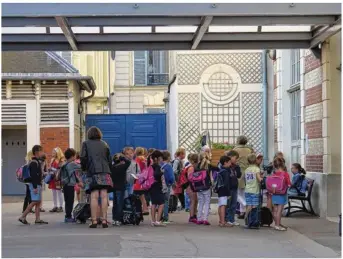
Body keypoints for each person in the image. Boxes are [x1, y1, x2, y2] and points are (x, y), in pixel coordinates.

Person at [81, 126, 113, 228]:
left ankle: (94, 220)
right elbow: (109, 158)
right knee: (104, 196)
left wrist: (84, 168)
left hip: (92, 171)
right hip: (105, 171)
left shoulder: (85, 144)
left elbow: (83, 157)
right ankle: (104, 220)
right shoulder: (104, 144)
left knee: (94, 196)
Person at [18, 145, 48, 225]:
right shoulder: (34, 163)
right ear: (37, 152)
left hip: (37, 184)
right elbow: (34, 176)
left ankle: (37, 219)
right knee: (35, 201)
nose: (43, 153)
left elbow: (38, 175)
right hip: (35, 185)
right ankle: (23, 216)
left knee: (38, 202)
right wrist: (35, 187)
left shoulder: (37, 162)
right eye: (42, 151)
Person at [233, 135, 254, 219]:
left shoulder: (235, 150)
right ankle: (243, 211)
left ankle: (244, 204)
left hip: (238, 172)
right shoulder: (250, 150)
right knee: (244, 192)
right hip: (248, 171)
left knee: (236, 192)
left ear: (238, 141)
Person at [62, 148, 82, 223]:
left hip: (65, 184)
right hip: (70, 185)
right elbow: (81, 167)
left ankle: (67, 216)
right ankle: (68, 217)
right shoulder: (72, 164)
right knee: (70, 201)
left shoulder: (65, 163)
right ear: (72, 156)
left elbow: (72, 174)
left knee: (67, 201)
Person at [110, 153, 131, 226]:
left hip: (114, 187)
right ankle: (118, 219)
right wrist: (123, 157)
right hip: (121, 187)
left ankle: (114, 219)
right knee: (120, 204)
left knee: (115, 204)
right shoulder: (122, 167)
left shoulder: (112, 167)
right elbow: (128, 162)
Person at [271, 157, 291, 231]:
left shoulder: (274, 174)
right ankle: (277, 225)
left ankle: (277, 223)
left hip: (274, 193)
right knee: (279, 210)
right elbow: (289, 184)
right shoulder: (285, 174)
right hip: (282, 194)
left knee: (275, 210)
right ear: (283, 164)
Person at [148, 150, 166, 227]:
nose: (162, 159)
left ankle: (153, 220)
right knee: (161, 203)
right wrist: (162, 172)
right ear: (157, 158)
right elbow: (156, 174)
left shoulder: (150, 166)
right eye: (161, 158)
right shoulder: (157, 166)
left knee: (154, 203)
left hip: (151, 186)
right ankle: (158, 221)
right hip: (157, 187)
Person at [196, 152, 213, 225]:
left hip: (198, 186)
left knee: (200, 203)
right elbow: (211, 177)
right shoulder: (209, 165)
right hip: (206, 186)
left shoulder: (197, 166)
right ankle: (205, 219)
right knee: (207, 203)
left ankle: (199, 219)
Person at [225, 150, 241, 226]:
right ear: (230, 157)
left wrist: (237, 167)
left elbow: (239, 175)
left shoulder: (236, 166)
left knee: (234, 204)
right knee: (228, 204)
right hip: (228, 188)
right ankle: (227, 219)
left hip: (234, 187)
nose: (236, 160)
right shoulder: (226, 165)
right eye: (235, 158)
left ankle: (232, 219)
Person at [244, 154, 263, 219]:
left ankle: (246, 217)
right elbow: (259, 178)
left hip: (247, 190)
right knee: (254, 205)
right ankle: (253, 219)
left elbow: (245, 179)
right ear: (255, 160)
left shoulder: (247, 169)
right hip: (254, 190)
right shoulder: (256, 169)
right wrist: (262, 179)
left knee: (249, 205)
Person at [217, 156, 233, 227]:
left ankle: (221, 220)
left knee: (220, 205)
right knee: (223, 205)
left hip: (220, 190)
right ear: (225, 163)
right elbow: (226, 183)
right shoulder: (226, 171)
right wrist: (228, 192)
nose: (230, 164)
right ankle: (223, 221)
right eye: (229, 162)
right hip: (224, 190)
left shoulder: (220, 170)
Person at [133, 147, 149, 215]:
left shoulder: (137, 159)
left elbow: (136, 168)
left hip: (138, 179)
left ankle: (140, 209)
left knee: (138, 195)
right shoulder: (145, 159)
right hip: (144, 178)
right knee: (142, 196)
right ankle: (145, 209)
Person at [48, 147, 65, 213]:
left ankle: (60, 206)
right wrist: (49, 169)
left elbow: (61, 170)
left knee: (59, 193)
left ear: (58, 153)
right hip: (52, 178)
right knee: (54, 193)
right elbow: (50, 167)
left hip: (58, 179)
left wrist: (52, 169)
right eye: (52, 152)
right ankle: (55, 206)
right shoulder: (52, 159)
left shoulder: (61, 160)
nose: (52, 153)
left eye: (54, 152)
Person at [161, 150, 175, 224]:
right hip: (167, 185)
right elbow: (171, 177)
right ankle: (165, 217)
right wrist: (172, 183)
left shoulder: (160, 165)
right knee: (166, 201)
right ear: (168, 157)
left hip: (160, 186)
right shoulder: (168, 166)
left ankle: (159, 217)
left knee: (160, 202)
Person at [185, 153, 199, 224]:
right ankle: (191, 216)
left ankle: (194, 215)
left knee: (195, 201)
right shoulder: (191, 168)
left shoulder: (191, 167)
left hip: (192, 186)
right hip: (191, 186)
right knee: (193, 201)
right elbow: (190, 178)